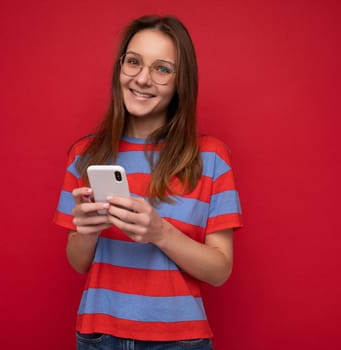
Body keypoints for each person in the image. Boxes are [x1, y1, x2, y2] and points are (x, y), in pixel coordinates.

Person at [54, 15, 242, 350]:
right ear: (120, 68)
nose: (142, 79)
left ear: (181, 81)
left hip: (179, 341)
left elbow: (220, 271)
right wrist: (88, 230)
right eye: (134, 62)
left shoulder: (211, 158)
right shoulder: (85, 154)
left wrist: (160, 232)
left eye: (162, 69)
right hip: (99, 336)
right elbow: (78, 262)